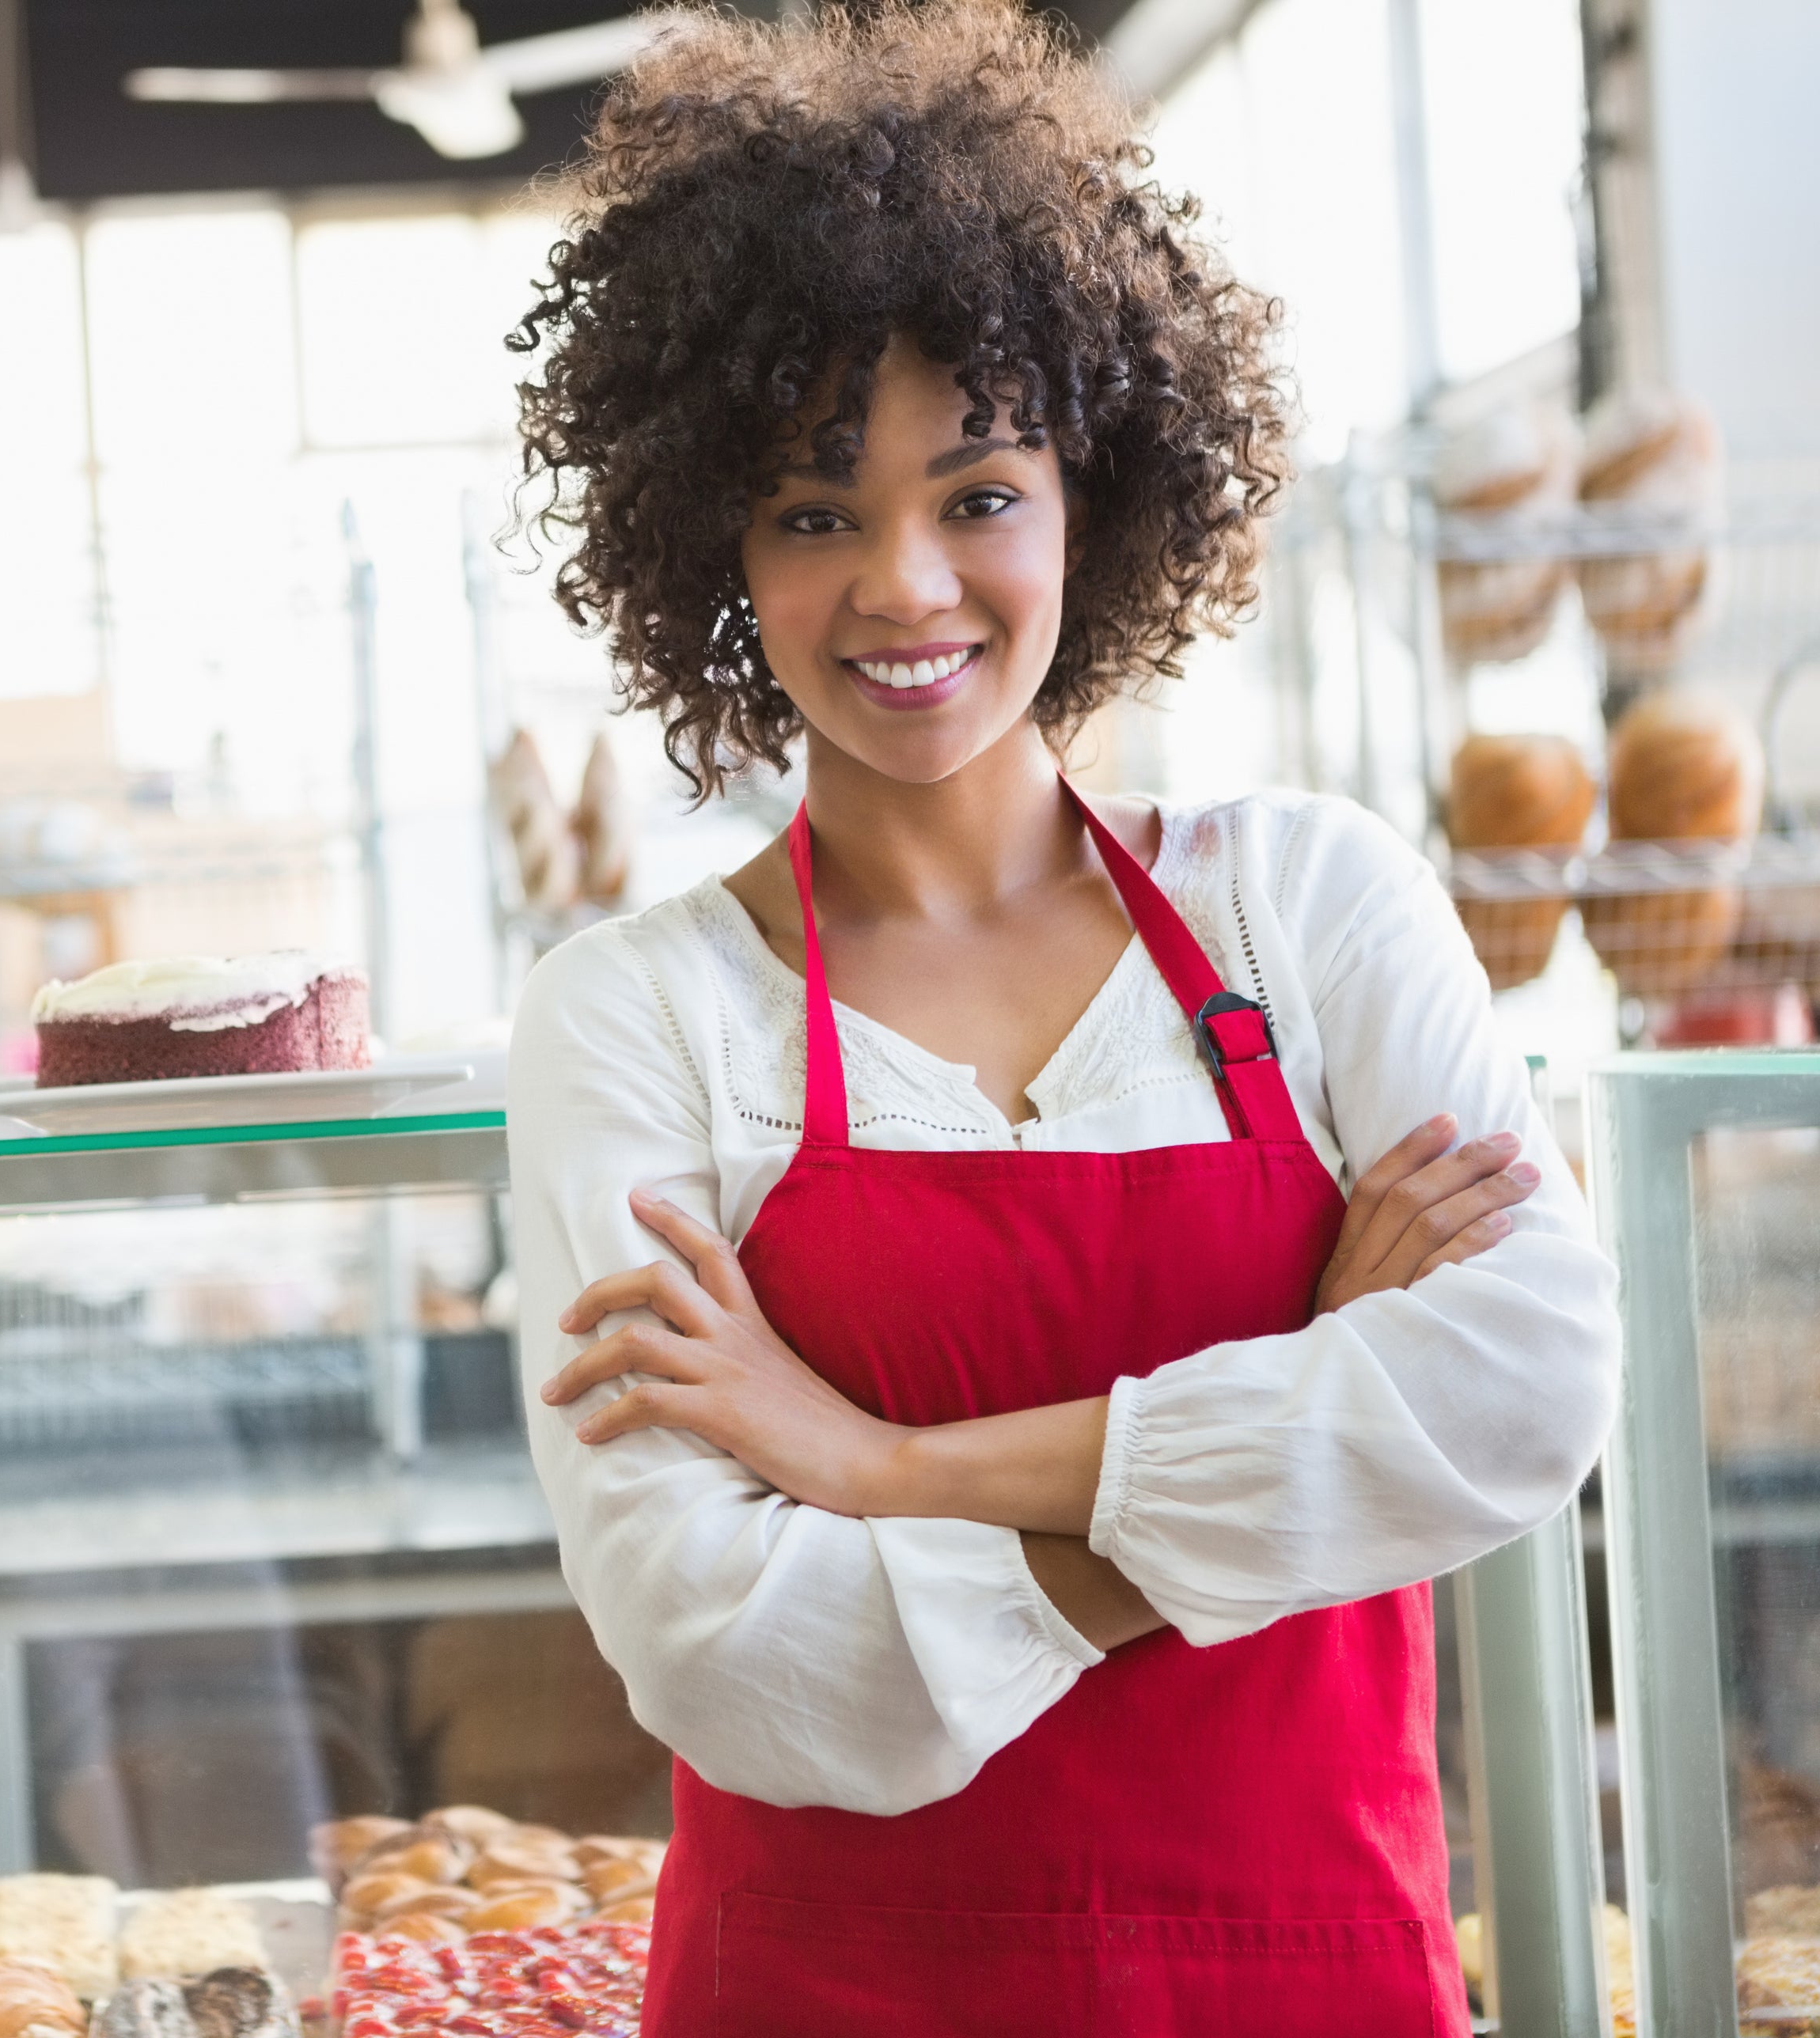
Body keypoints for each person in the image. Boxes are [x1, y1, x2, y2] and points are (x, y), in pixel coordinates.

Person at [500, 6, 1620, 2032]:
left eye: (979, 489)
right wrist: (1297, 1398)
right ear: (712, 553)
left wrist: (880, 1468)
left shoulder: (1313, 901)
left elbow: (1523, 1392)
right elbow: (727, 1656)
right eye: (813, 511)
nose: (905, 586)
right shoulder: (633, 1017)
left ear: (1095, 494)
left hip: (1311, 1982)